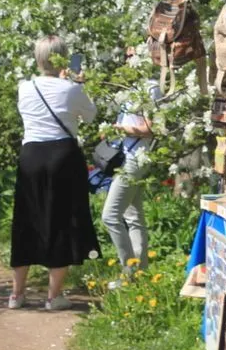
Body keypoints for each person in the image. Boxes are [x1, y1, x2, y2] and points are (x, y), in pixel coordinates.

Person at [9, 35, 100, 311]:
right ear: (63, 57)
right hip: (62, 156)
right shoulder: (71, 89)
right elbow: (91, 116)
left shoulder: (24, 87)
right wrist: (79, 84)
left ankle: (17, 294)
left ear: (38, 58)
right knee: (61, 221)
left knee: (26, 221)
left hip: (31, 156)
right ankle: (53, 296)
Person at [101, 45, 162, 289]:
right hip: (126, 154)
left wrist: (119, 129)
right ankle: (141, 273)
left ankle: (128, 272)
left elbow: (151, 127)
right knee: (133, 216)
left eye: (132, 56)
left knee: (110, 216)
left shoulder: (150, 88)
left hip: (138, 157)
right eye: (126, 56)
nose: (128, 60)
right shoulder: (131, 89)